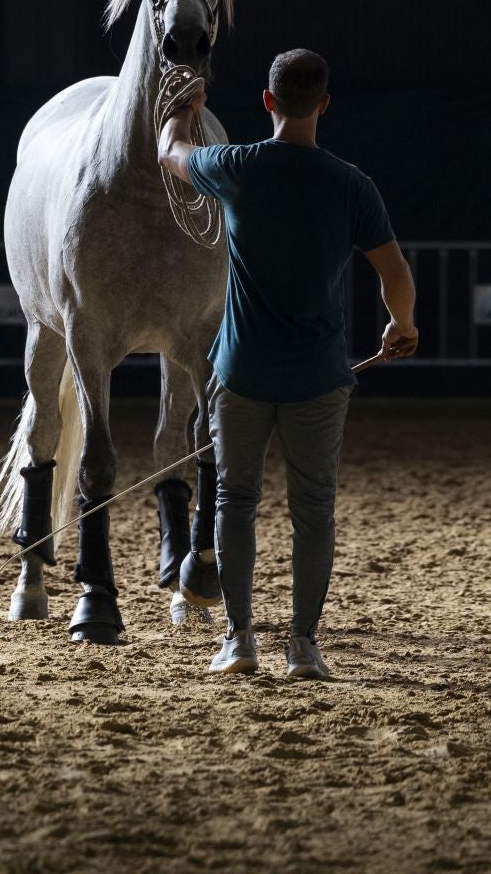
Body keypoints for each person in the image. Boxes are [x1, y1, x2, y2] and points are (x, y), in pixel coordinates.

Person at [157, 48, 418, 678]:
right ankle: (303, 644)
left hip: (242, 373)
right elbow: (394, 273)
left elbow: (170, 154)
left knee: (236, 502)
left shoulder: (236, 166)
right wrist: (401, 325)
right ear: (324, 105)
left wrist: (183, 113)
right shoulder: (352, 184)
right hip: (318, 378)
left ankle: (239, 639)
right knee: (313, 510)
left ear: (268, 101)